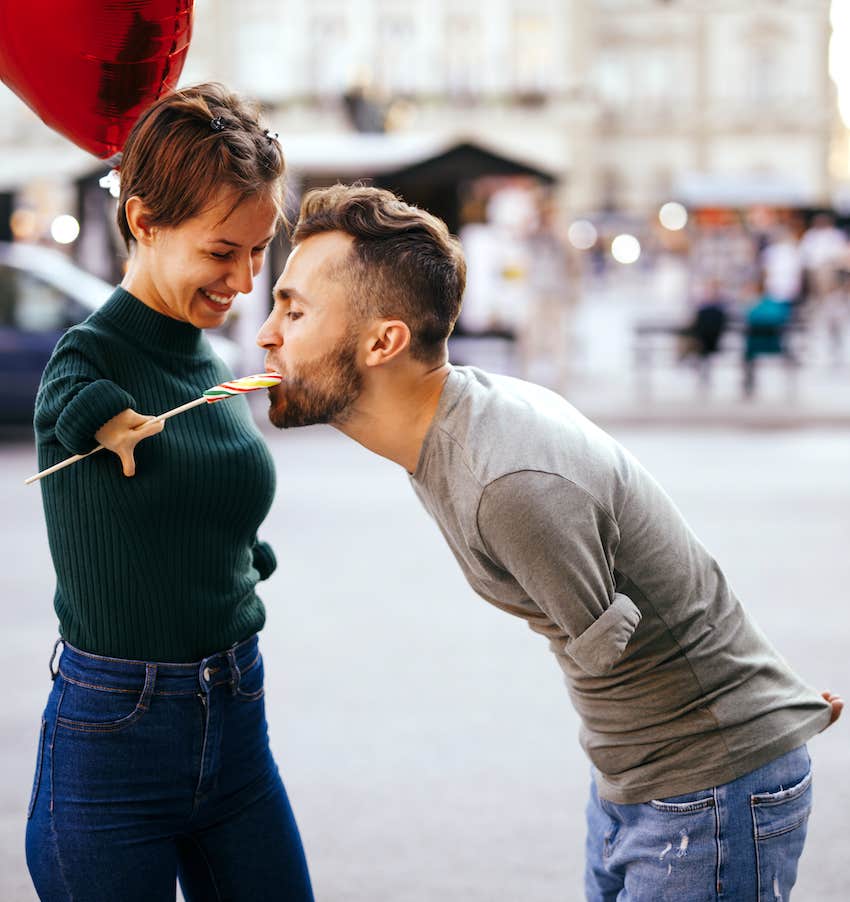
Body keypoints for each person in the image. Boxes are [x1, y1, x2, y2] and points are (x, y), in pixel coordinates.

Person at [256, 185, 843, 901]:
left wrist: (761, 712)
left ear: (384, 342)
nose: (265, 334)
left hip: (705, 789)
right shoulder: (461, 418)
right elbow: (662, 581)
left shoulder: (505, 478)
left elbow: (617, 636)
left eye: (293, 311)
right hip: (642, 779)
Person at [27, 84, 313, 901]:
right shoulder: (91, 353)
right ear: (144, 221)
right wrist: (107, 421)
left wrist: (242, 553)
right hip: (115, 740)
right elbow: (69, 396)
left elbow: (202, 500)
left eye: (258, 252)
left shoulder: (206, 358)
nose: (244, 280)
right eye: (223, 252)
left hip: (237, 720)